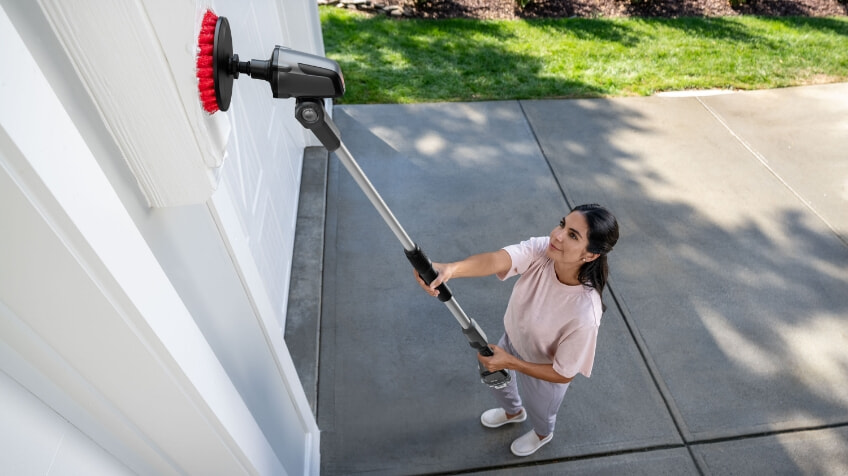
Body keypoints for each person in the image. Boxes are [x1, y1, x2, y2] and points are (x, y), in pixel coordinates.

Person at [414, 203, 619, 457]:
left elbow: (564, 374)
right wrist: (451, 270)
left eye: (573, 236)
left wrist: (512, 363)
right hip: (512, 340)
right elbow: (497, 260)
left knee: (540, 410)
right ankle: (514, 412)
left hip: (544, 370)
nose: (557, 235)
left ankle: (543, 434)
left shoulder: (585, 313)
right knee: (497, 383)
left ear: (590, 255)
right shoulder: (545, 249)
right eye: (563, 225)